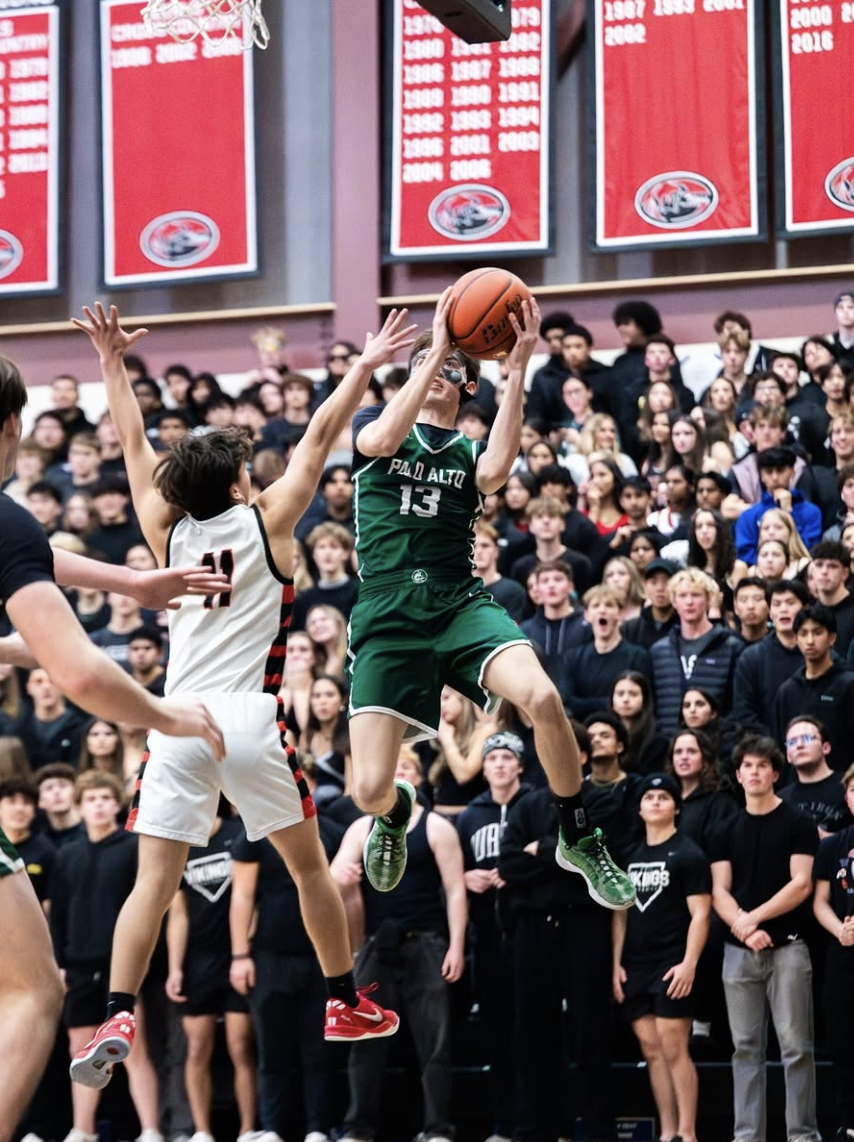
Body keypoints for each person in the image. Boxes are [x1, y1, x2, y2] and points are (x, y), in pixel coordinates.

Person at [67, 302, 416, 1091]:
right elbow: (323, 435)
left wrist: (111, 363)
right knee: (309, 870)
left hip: (174, 721)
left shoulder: (166, 531)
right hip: (249, 718)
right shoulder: (269, 522)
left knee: (153, 883)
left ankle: (119, 1009)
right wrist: (363, 367)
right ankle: (341, 1000)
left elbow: (129, 439)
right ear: (235, 481)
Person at [0, 353, 229, 1141]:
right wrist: (167, 716)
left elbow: (29, 555)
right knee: (31, 991)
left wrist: (132, 587)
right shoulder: (6, 519)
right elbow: (81, 675)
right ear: (12, 430)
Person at [345, 292, 634, 908]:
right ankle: (396, 813)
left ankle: (577, 834)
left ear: (469, 384)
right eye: (431, 364)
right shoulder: (372, 425)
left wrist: (520, 365)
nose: (441, 372)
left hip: (457, 600)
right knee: (368, 789)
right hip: (389, 610)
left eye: (453, 368)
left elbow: (498, 468)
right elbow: (383, 439)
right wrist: (438, 346)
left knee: (543, 697)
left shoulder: (467, 451)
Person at [331, 751, 467, 1142]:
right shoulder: (361, 827)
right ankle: (358, 1129)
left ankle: (438, 1129)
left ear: (419, 779)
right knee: (365, 1046)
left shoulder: (438, 827)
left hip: (426, 943)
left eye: (407, 768)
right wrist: (341, 874)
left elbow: (456, 891)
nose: (399, 773)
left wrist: (456, 946)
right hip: (376, 945)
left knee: (435, 1045)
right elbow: (333, 875)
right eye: (392, 768)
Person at [710, 736, 820, 1142]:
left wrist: (749, 920)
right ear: (738, 775)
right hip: (738, 955)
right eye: (748, 766)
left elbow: (801, 884)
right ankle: (747, 1136)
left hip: (788, 947)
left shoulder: (797, 822)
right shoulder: (725, 829)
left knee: (795, 1048)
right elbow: (718, 890)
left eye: (762, 766)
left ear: (776, 773)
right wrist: (743, 928)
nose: (754, 772)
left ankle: (802, 1135)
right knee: (745, 1049)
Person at [50, 771, 163, 1142]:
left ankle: (150, 1129)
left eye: (104, 798)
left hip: (122, 967)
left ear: (117, 804)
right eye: (91, 799)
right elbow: (60, 913)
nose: (98, 805)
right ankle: (82, 1130)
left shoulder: (132, 848)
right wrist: (61, 964)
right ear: (79, 807)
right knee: (80, 1052)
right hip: (79, 966)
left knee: (134, 1048)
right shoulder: (67, 855)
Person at [612, 773, 711, 1142]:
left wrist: (689, 963)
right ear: (639, 808)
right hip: (635, 964)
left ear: (676, 807)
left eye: (663, 797)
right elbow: (619, 914)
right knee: (651, 1050)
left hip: (672, 962)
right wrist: (614, 965)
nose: (655, 802)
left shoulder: (688, 853)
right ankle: (667, 1133)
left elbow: (702, 914)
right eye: (649, 797)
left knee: (673, 1046)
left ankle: (688, 1133)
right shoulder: (629, 854)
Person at [456, 732, 532, 1142]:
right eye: (493, 758)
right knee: (498, 1038)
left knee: (533, 1036)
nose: (500, 764)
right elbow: (453, 875)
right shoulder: (470, 815)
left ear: (520, 765)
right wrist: (465, 876)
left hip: (531, 936)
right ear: (483, 768)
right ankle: (504, 1123)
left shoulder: (536, 805)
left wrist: (519, 869)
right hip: (487, 940)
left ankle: (538, 1123)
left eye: (507, 757)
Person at [165, 810, 257, 1142]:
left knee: (240, 1046)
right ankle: (202, 1131)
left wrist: (244, 950)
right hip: (198, 960)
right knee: (196, 1049)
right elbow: (178, 914)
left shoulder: (238, 834)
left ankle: (248, 1129)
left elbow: (253, 898)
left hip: (236, 954)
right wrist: (175, 967)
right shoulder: (179, 844)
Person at [811, 762, 854, 1142]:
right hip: (844, 953)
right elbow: (820, 901)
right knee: (842, 1038)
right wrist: (839, 928)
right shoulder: (832, 845)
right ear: (847, 797)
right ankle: (848, 1120)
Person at [649, 569, 743, 736]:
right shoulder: (658, 651)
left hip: (716, 745)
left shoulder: (731, 647)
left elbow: (736, 706)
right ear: (674, 602)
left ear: (707, 600)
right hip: (670, 747)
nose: (689, 602)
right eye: (683, 596)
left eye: (696, 595)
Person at [775, 604, 854, 771]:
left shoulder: (848, 684)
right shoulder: (787, 691)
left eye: (817, 633)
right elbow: (781, 746)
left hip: (843, 785)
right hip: (797, 785)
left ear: (832, 638)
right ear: (796, 639)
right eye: (803, 634)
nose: (810, 641)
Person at [730, 578, 809, 735]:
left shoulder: (819, 653)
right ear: (770, 611)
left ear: (805, 608)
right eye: (777, 604)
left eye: (790, 603)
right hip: (768, 751)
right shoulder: (752, 657)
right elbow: (745, 714)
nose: (783, 610)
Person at [782, 717, 851, 836]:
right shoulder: (781, 799)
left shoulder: (849, 785)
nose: (799, 745)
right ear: (788, 756)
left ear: (826, 748)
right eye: (792, 742)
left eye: (807, 738)